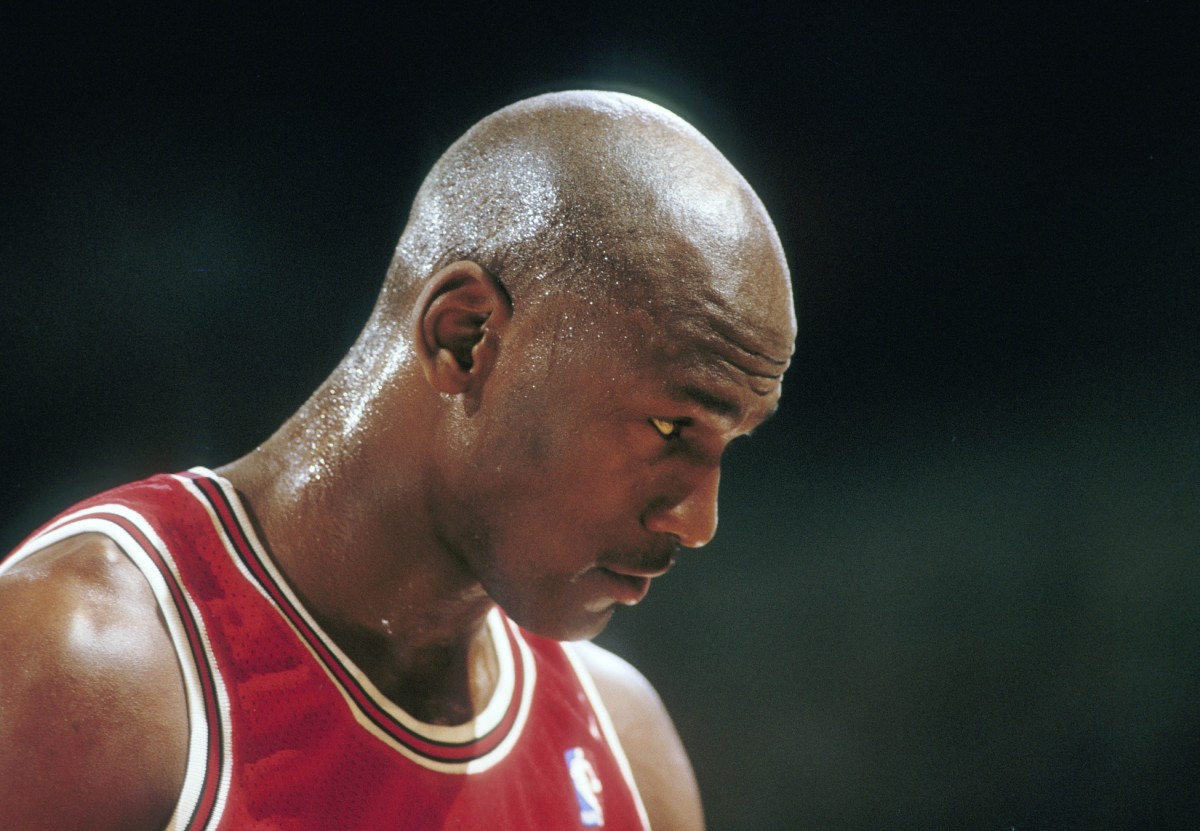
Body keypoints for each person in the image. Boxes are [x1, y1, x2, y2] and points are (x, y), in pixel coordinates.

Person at [0, 90, 795, 830]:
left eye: (732, 445)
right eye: (668, 426)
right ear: (466, 337)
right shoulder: (81, 668)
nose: (698, 520)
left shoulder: (630, 756)